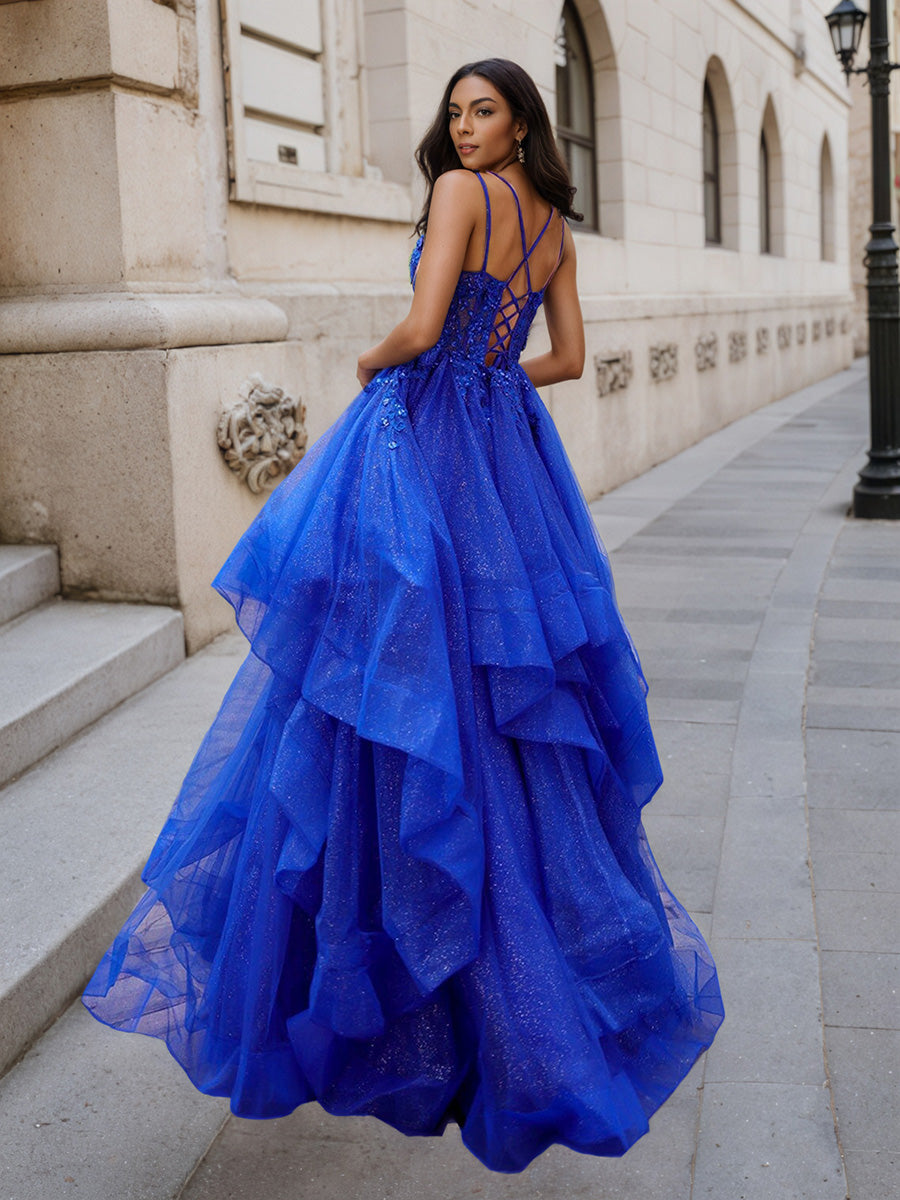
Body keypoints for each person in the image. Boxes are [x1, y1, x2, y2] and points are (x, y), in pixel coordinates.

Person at [83, 58, 723, 1174]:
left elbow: (423, 327)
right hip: (506, 463)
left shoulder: (460, 195)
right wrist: (496, 380)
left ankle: (399, 992)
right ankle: (511, 1020)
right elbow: (569, 358)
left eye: (485, 111)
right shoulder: (553, 227)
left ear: (520, 122)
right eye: (456, 112)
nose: (463, 128)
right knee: (497, 704)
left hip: (427, 447)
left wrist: (372, 362)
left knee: (390, 689)